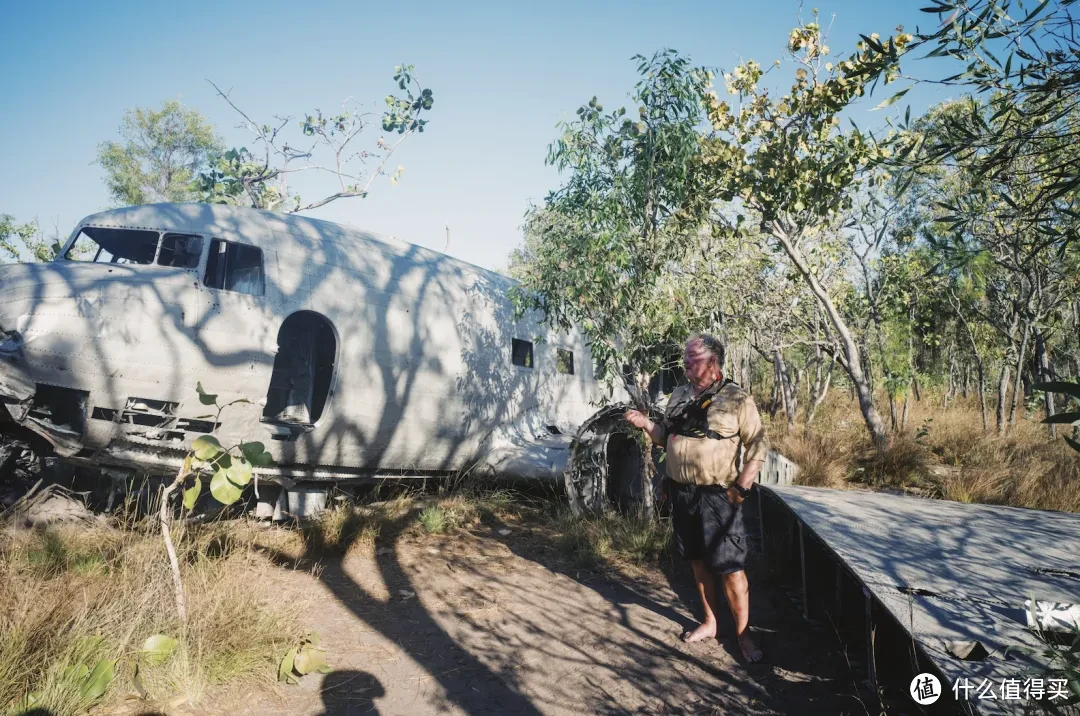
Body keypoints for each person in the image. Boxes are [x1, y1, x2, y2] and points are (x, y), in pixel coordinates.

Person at [624, 334, 768, 663]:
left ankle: (744, 636)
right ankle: (711, 623)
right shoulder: (679, 395)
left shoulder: (736, 398)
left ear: (712, 363)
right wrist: (646, 424)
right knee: (697, 562)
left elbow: (757, 448)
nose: (685, 363)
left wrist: (741, 489)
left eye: (692, 358)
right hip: (683, 493)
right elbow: (665, 437)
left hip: (720, 495)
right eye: (685, 357)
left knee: (730, 568)